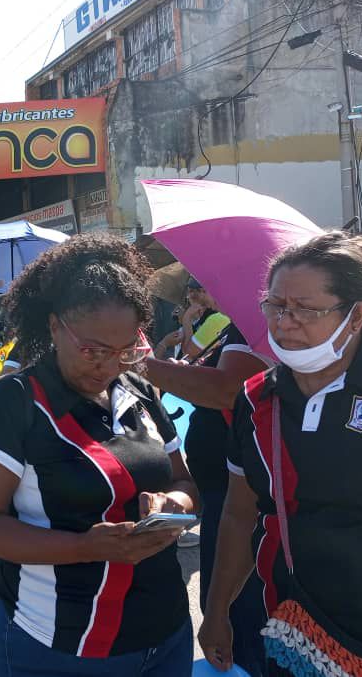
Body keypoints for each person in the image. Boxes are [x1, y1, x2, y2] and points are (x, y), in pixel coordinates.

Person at [0, 235, 198, 676]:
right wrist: (83, 547)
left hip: (164, 632)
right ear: (54, 327)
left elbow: (185, 484)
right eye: (92, 350)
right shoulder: (13, 404)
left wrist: (173, 506)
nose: (108, 366)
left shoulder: (139, 392)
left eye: (126, 350)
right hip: (62, 644)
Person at [200, 232, 362, 676]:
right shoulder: (257, 398)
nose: (285, 322)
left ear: (357, 314)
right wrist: (216, 611)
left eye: (306, 309)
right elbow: (240, 514)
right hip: (294, 632)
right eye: (276, 306)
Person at [144, 276, 270, 675]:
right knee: (227, 593)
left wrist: (141, 367)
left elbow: (229, 389)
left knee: (240, 605)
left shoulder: (251, 323)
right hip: (223, 483)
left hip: (237, 487)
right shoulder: (231, 325)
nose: (199, 291)